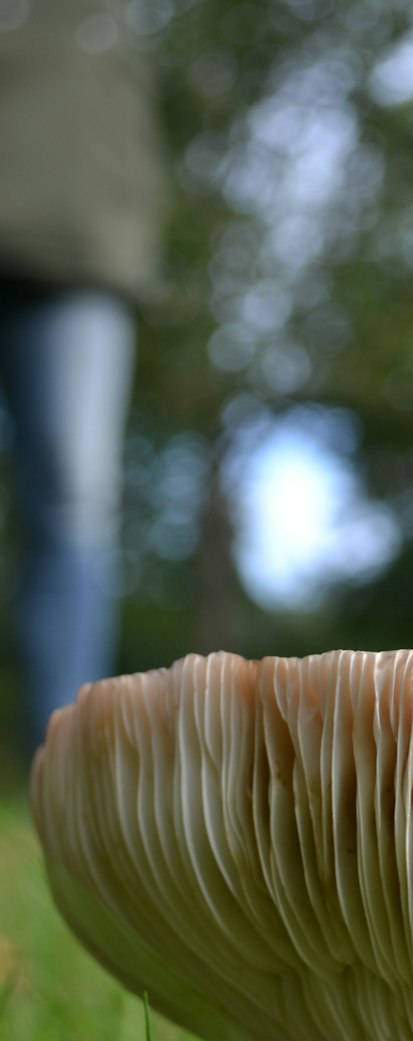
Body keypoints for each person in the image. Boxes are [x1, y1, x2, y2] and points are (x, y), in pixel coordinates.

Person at [0, 0, 162, 747]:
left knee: (75, 506)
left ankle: (62, 762)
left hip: (82, 272)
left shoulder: (108, 17)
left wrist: (128, 241)